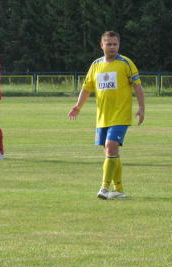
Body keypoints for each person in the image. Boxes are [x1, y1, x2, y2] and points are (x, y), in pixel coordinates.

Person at [68, 31, 145, 200]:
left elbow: (137, 86)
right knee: (111, 152)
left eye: (115, 44)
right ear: (102, 45)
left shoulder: (126, 63)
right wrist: (78, 107)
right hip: (103, 117)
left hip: (120, 115)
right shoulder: (95, 65)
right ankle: (119, 189)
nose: (112, 47)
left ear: (119, 45)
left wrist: (141, 107)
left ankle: (104, 187)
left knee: (111, 147)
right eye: (109, 44)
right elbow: (87, 88)